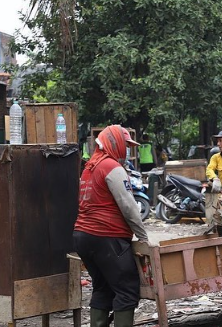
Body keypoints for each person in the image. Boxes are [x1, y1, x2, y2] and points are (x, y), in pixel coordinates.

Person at [73, 125, 148, 327]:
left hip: (82, 236)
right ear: (115, 143)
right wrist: (143, 238)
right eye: (126, 145)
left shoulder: (90, 167)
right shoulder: (112, 167)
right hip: (106, 237)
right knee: (127, 290)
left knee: (103, 287)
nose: (127, 150)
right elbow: (129, 206)